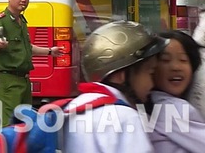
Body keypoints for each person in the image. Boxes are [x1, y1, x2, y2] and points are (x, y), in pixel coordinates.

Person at [61, 21, 169, 152]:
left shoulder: (72, 108)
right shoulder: (125, 117)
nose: (152, 84)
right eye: (150, 72)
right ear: (122, 75)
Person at [0, 0, 63, 127]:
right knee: (10, 127)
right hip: (8, 82)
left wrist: (49, 51)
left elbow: (27, 48)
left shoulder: (21, 21)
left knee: (25, 125)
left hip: (24, 81)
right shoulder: (0, 20)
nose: (23, 0)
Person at [147, 30, 205, 153]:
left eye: (183, 60)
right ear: (151, 67)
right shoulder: (173, 108)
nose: (175, 67)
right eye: (165, 60)